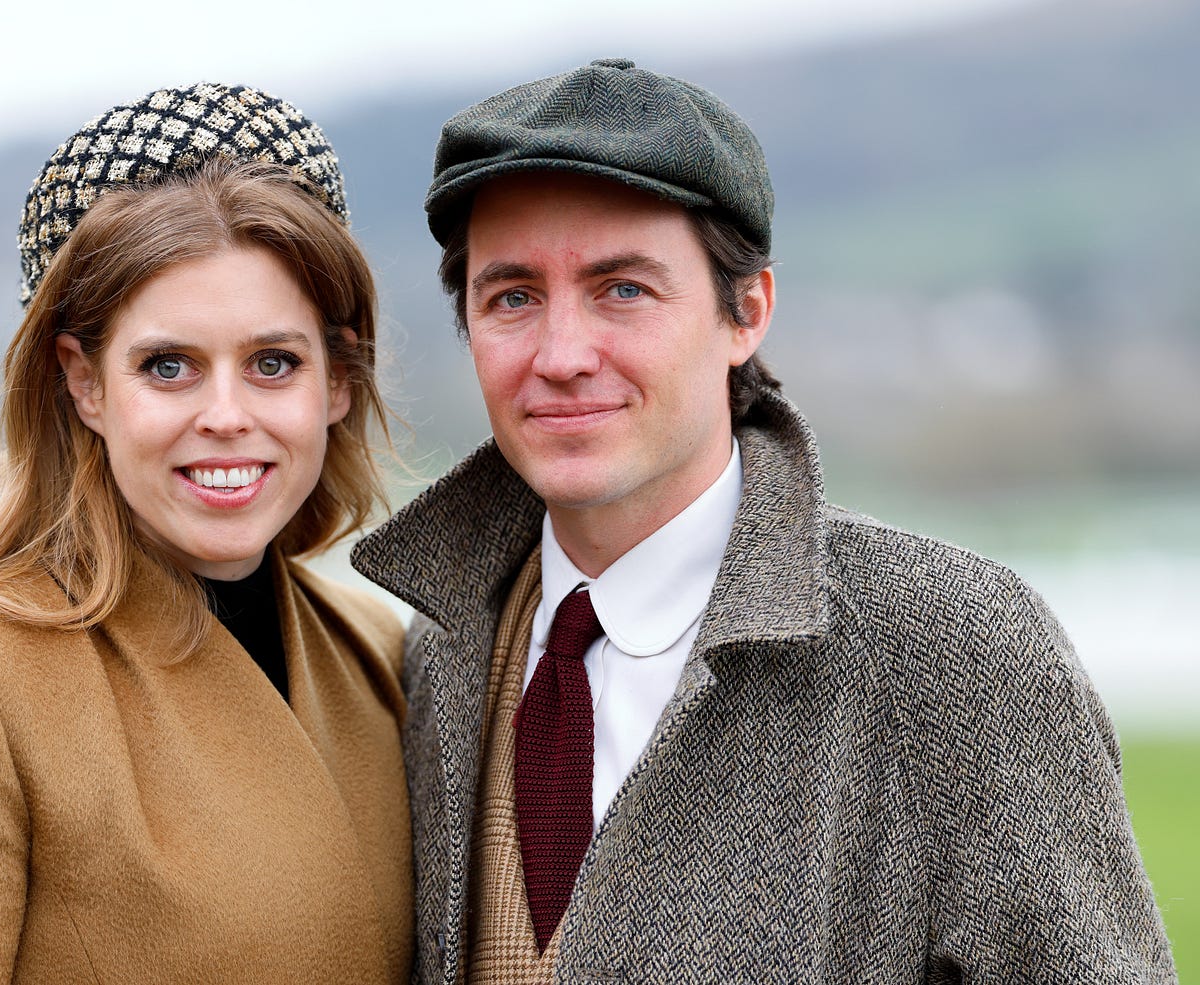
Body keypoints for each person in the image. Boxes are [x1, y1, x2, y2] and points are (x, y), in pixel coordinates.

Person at [351, 59, 1176, 983]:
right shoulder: (437, 652)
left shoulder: (957, 650)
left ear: (746, 312)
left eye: (623, 288)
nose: (562, 354)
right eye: (513, 297)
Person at [0, 83, 411, 983]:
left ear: (338, 380)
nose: (226, 415)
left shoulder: (380, 653)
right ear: (83, 382)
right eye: (168, 365)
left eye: (273, 363)